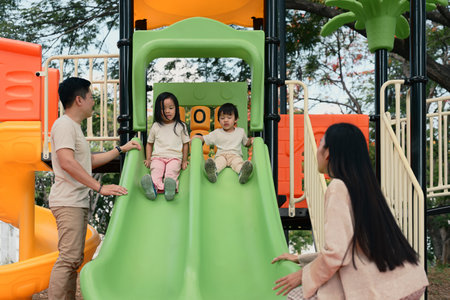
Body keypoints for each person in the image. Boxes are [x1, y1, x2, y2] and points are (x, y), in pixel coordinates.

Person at [272, 123, 428, 300]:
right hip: (406, 283)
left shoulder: (338, 187)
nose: (317, 151)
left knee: (295, 296)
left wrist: (302, 275)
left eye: (320, 144)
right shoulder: (367, 189)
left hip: (380, 289)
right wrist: (301, 259)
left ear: (328, 152)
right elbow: (352, 248)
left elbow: (337, 252)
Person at [48, 77, 141, 300]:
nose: (93, 102)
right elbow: (67, 162)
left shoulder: (73, 127)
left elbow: (85, 161)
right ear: (79, 99)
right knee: (69, 259)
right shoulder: (63, 125)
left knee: (73, 259)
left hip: (75, 201)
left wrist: (121, 149)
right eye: (91, 97)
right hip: (67, 201)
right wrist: (100, 187)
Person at [140, 92, 190, 201]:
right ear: (158, 111)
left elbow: (186, 144)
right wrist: (148, 159)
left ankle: (170, 190)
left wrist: (184, 160)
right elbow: (149, 143)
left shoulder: (181, 126)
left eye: (171, 108)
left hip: (175, 157)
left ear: (176, 108)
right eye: (163, 109)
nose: (167, 111)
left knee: (171, 172)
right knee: (156, 170)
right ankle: (153, 189)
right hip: (158, 157)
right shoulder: (156, 126)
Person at [192, 102, 254, 184]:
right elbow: (205, 138)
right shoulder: (217, 133)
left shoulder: (240, 131)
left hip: (235, 155)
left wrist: (251, 140)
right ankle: (212, 173)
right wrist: (198, 138)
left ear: (236, 119)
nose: (225, 120)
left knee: (238, 163)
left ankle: (243, 173)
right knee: (218, 163)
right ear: (219, 120)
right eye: (222, 118)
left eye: (229, 117)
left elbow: (246, 143)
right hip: (222, 155)